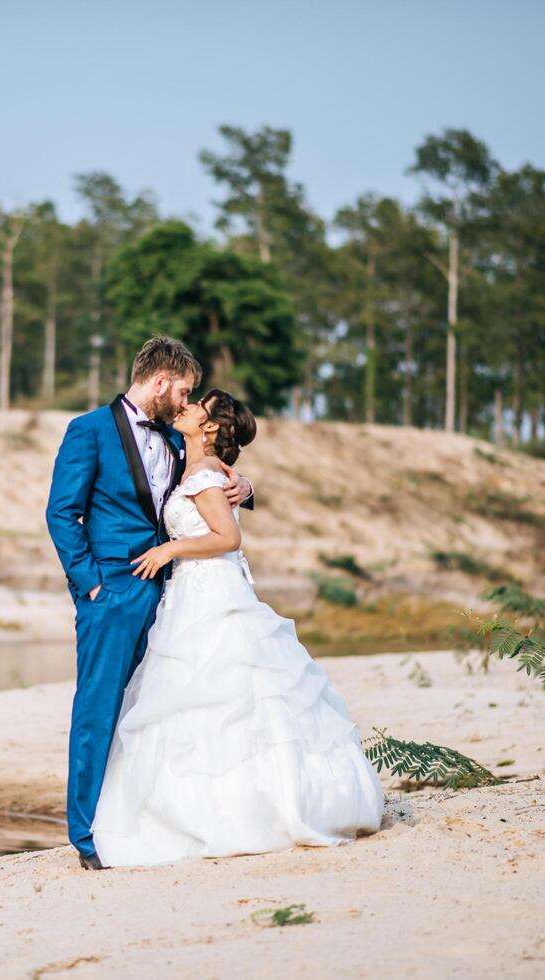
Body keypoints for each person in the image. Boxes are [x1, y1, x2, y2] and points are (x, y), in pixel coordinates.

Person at [89, 388, 385, 867]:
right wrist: (239, 482)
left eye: (195, 405)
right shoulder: (192, 462)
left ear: (208, 427)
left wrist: (170, 549)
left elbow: (228, 537)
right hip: (191, 592)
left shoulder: (204, 474)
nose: (183, 407)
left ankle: (249, 810)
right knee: (201, 694)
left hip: (210, 589)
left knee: (225, 690)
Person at [45, 336, 253, 870]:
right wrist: (91, 585)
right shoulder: (88, 430)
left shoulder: (174, 436)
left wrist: (245, 486)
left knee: (150, 711)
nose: (186, 403)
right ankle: (86, 834)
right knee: (99, 706)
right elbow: (62, 513)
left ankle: (136, 819)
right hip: (112, 591)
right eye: (183, 391)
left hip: (173, 594)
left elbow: (209, 474)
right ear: (160, 381)